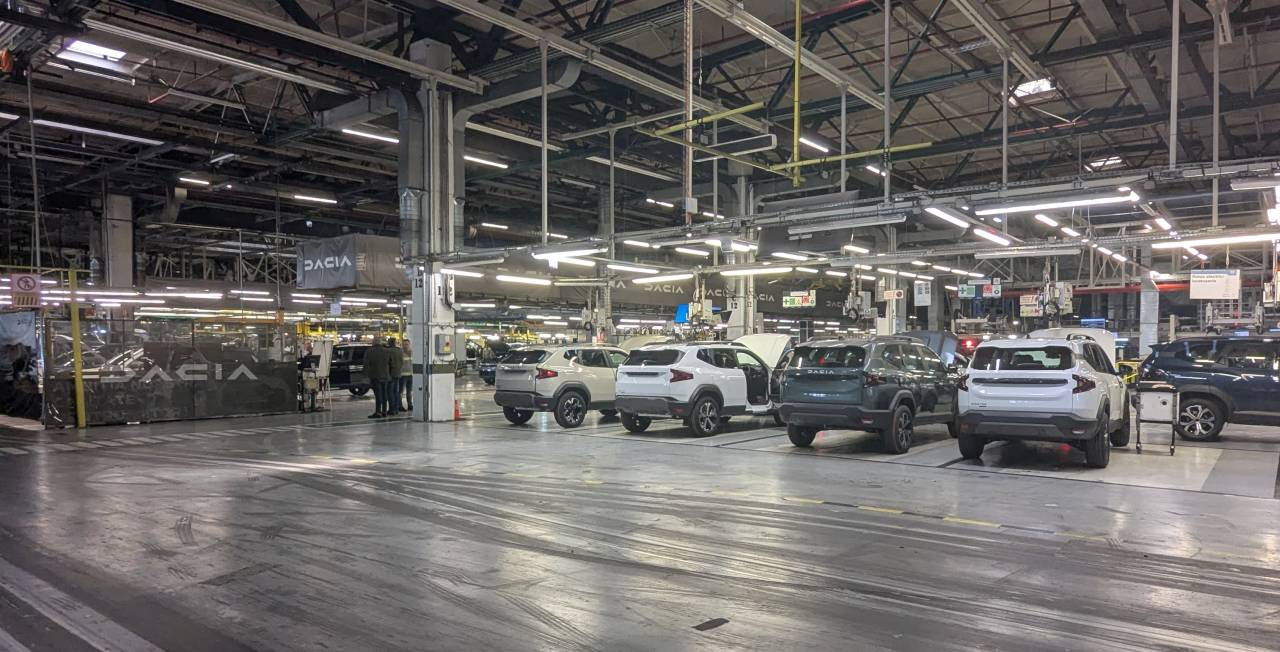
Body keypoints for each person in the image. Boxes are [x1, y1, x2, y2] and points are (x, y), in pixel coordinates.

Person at [365, 337, 392, 418]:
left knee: (378, 395)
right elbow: (391, 363)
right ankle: (384, 411)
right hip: (386, 376)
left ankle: (378, 412)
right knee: (384, 393)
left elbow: (366, 364)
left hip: (375, 376)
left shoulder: (369, 351)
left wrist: (366, 376)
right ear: (380, 342)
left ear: (374, 342)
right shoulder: (387, 351)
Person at [385, 337, 403, 415]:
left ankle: (391, 409)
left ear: (389, 343)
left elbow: (387, 363)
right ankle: (396, 409)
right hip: (398, 373)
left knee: (390, 392)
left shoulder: (388, 351)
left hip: (390, 374)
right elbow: (402, 362)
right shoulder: (400, 350)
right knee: (396, 391)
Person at [399, 339, 413, 412]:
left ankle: (410, 405)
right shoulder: (400, 353)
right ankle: (400, 406)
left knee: (409, 392)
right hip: (402, 376)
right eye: (404, 344)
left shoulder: (412, 353)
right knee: (401, 392)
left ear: (409, 345)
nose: (405, 346)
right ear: (402, 345)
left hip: (411, 375)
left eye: (407, 344)